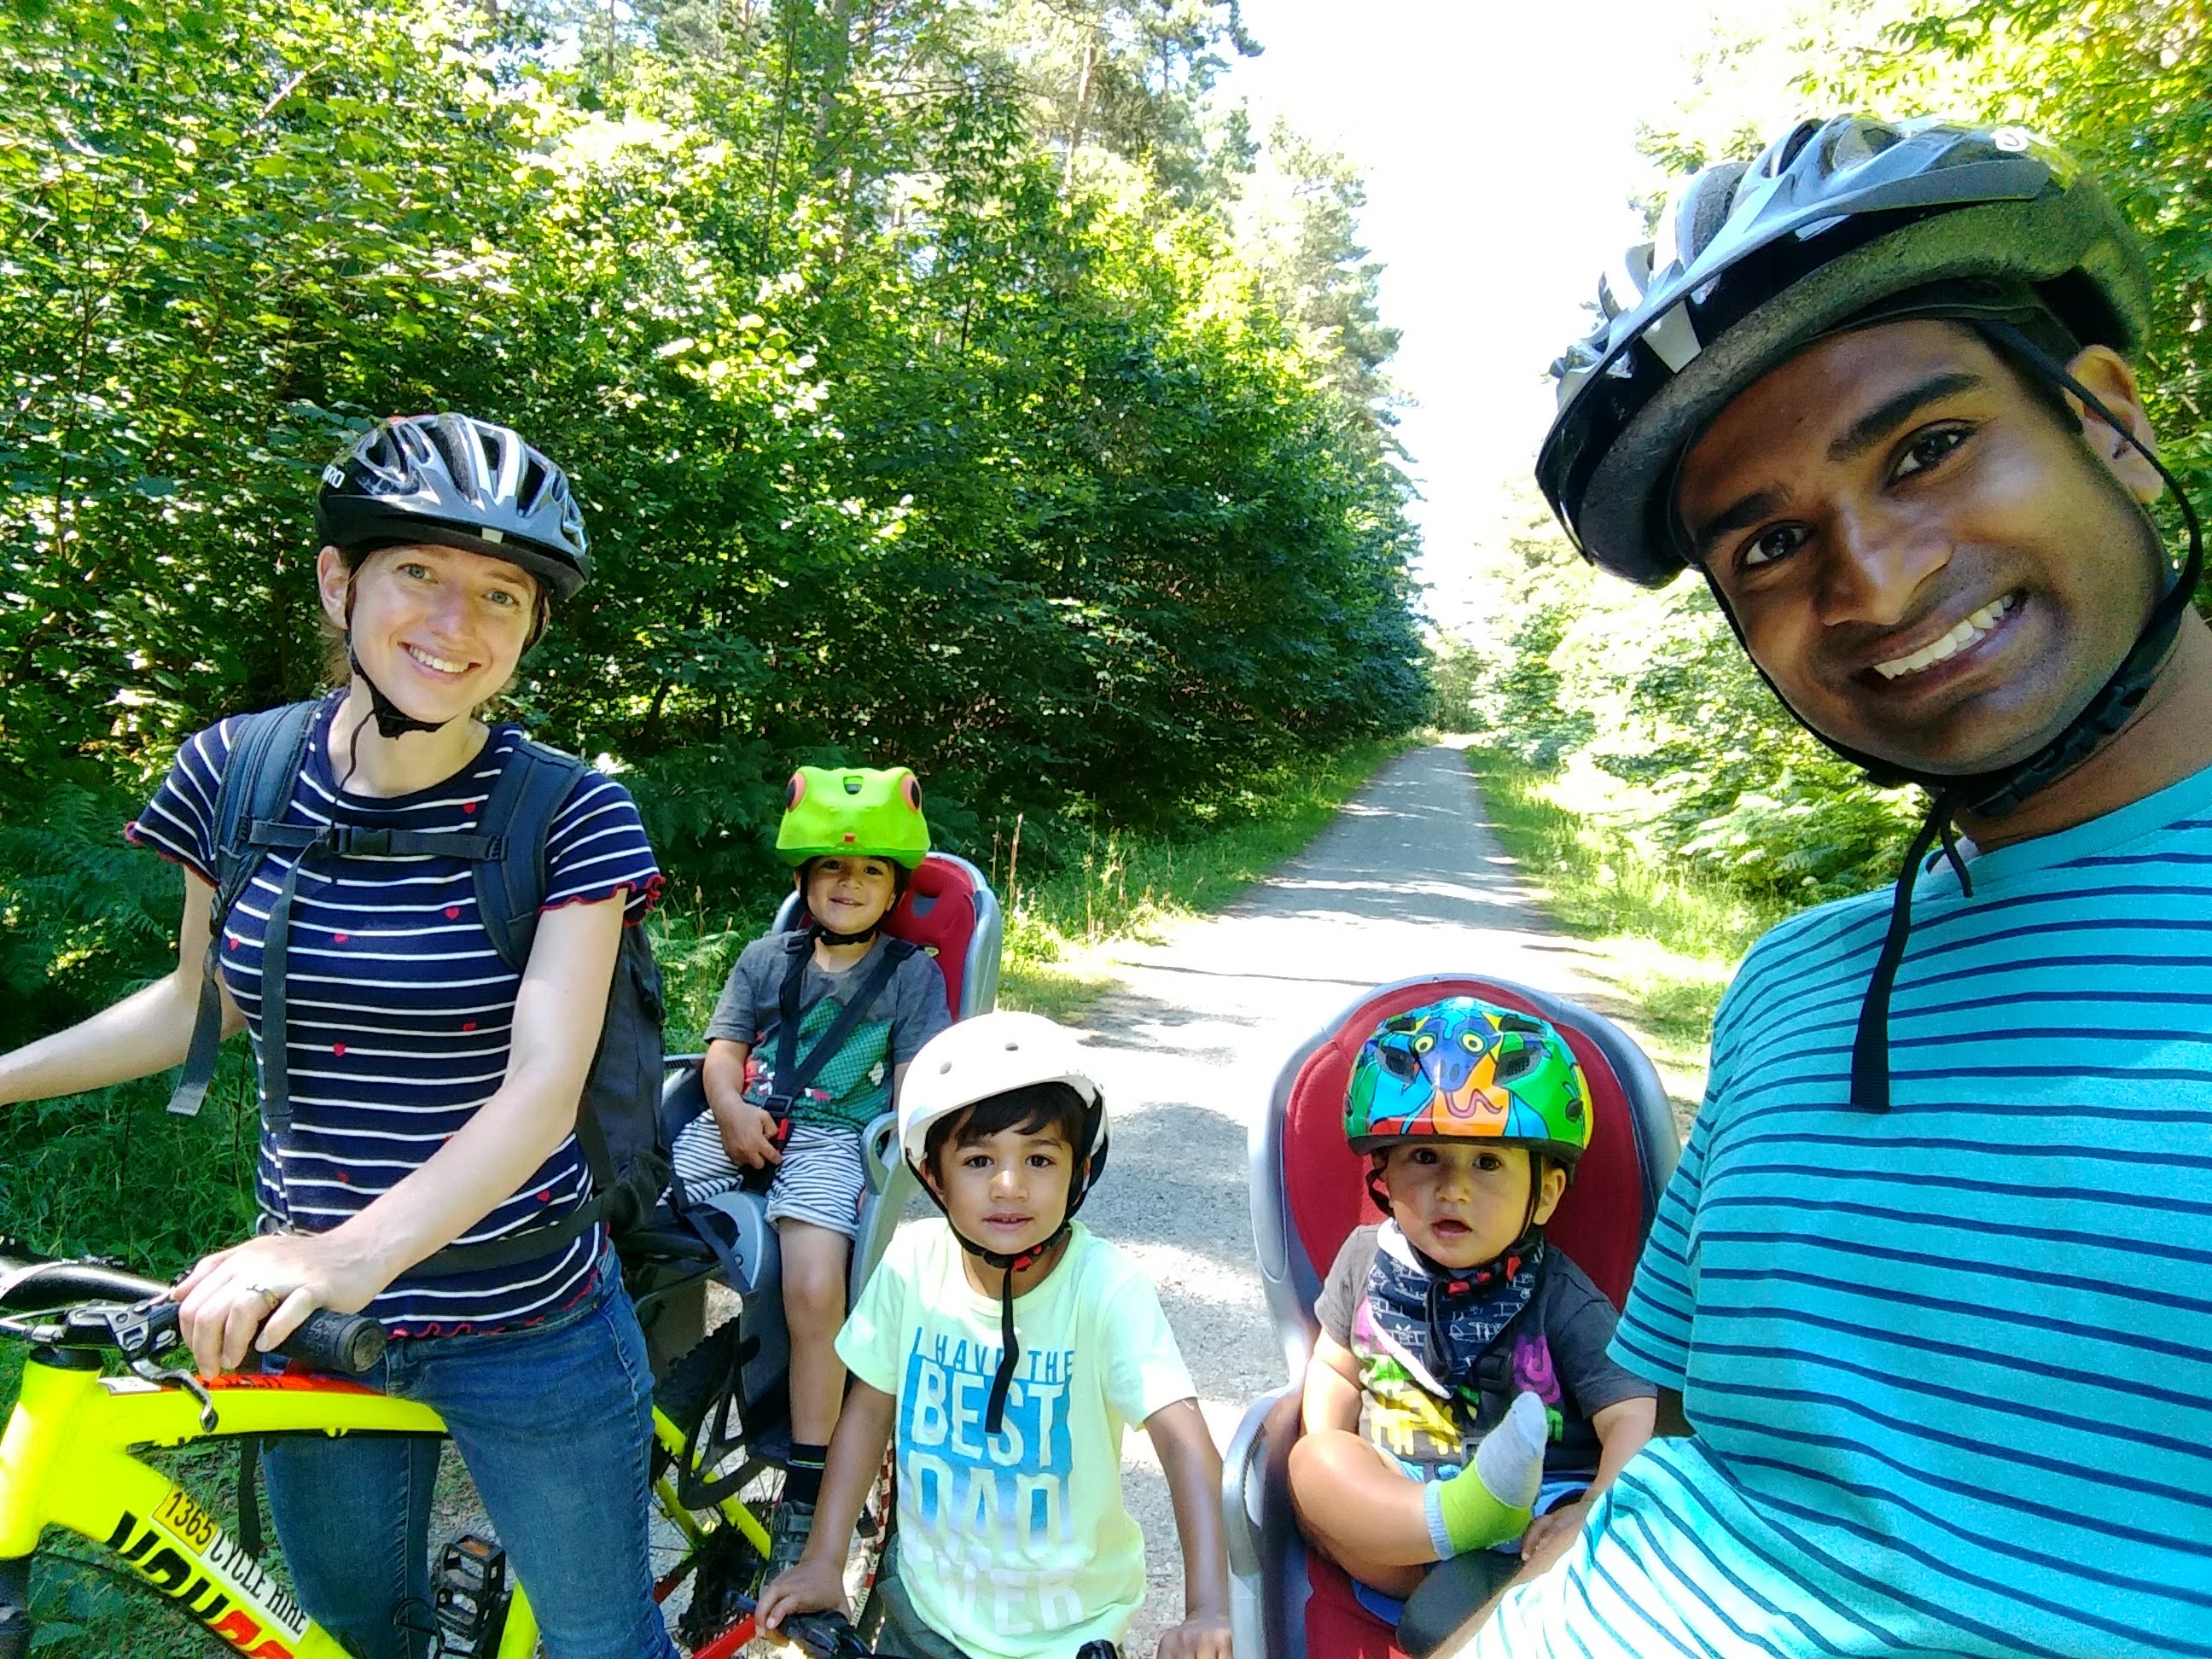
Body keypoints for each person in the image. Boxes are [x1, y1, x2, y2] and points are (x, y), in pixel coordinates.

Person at [1443, 114, 2212, 1656]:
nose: (1868, 579)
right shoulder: (1791, 982)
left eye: (1925, 447)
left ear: (2108, 424)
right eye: (1773, 544)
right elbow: (1654, 1463)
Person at [0, 414, 678, 1659]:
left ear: (532, 627)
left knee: (599, 1639)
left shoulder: (573, 813)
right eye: (419, 571)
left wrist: (343, 1258)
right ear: (338, 579)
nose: (454, 624)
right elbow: (204, 1000)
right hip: (313, 1330)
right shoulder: (237, 774)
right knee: (361, 1630)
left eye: (501, 593)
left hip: (524, 1317)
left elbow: (541, 1089)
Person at [757, 1010, 1233, 1659]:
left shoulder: (1106, 1290)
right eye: (979, 1159)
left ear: (1080, 1171)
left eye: (1039, 1158)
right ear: (933, 1174)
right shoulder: (911, 1267)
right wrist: (823, 1559)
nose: (1010, 1186)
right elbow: (867, 1413)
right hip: (922, 1616)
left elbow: (1186, 1447)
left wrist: (1207, 1607)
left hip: (1065, 1638)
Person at [1288, 998, 1653, 1656]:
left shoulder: (1560, 1296)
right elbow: (1335, 1366)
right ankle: (1458, 1529)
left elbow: (1633, 1413)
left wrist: (1592, 1506)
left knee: (1594, 1533)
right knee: (1313, 1465)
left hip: (1537, 1521)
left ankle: (1502, 1588)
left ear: (1544, 1194)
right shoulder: (1364, 1261)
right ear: (1384, 1176)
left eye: (1488, 1164)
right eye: (1425, 1156)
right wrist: (1344, 1470)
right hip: (1405, 1515)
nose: (1452, 1188)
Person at [667, 763, 950, 1573]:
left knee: (814, 1285)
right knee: (633, 1211)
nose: (849, 882)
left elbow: (914, 1081)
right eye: (832, 866)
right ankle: (631, 1394)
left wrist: (911, 1152)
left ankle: (808, 1477)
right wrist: (727, 1110)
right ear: (804, 877)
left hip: (835, 1141)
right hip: (743, 1119)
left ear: (893, 889)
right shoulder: (765, 959)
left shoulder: (911, 975)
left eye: (869, 871)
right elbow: (723, 1056)